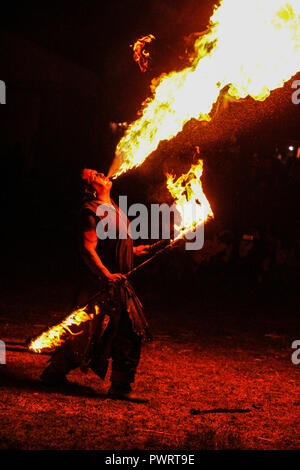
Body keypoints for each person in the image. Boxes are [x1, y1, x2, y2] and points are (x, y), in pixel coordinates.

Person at [40, 169, 151, 403]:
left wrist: (145, 250)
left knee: (129, 331)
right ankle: (55, 373)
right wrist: (106, 275)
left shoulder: (115, 209)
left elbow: (118, 248)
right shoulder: (90, 213)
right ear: (90, 189)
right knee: (85, 334)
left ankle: (121, 385)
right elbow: (87, 249)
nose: (102, 173)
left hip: (118, 284)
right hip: (101, 286)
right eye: (94, 175)